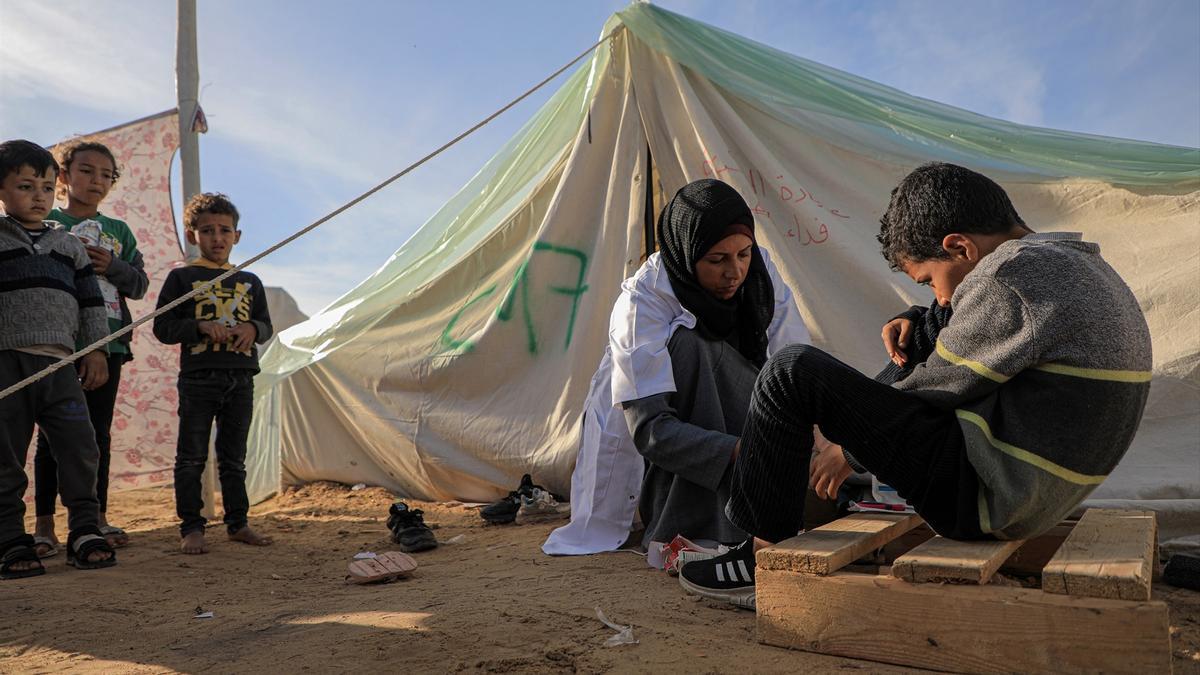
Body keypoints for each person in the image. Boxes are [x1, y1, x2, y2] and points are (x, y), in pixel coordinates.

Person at [680, 162, 1152, 608]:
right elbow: (972, 335)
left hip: (990, 497)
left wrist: (847, 448)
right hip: (1035, 490)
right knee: (934, 324)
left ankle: (760, 557)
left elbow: (932, 389)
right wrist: (921, 318)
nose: (937, 294)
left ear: (960, 247)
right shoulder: (1069, 262)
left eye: (927, 280)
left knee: (790, 372)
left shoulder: (1010, 279)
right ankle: (765, 539)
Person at [543, 178, 810, 557]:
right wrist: (739, 450)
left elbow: (794, 365)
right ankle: (708, 521)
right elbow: (652, 430)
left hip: (746, 420)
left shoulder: (760, 274)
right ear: (686, 254)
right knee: (690, 345)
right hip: (682, 432)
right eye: (717, 260)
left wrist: (812, 438)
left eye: (743, 254)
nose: (734, 272)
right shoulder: (643, 303)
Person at [0, 139, 117, 579]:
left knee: (80, 448)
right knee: (4, 456)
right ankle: (11, 540)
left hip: (60, 367)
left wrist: (96, 351)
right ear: (2, 190)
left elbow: (91, 305)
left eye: (47, 187)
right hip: (7, 364)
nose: (39, 196)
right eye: (26, 186)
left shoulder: (67, 246)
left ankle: (85, 530)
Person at [33, 140, 149, 555]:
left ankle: (95, 518)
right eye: (86, 171)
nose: (96, 180)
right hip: (58, 343)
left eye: (106, 174)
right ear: (63, 176)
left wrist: (112, 266)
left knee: (96, 434)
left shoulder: (119, 232)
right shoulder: (46, 222)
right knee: (51, 436)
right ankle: (44, 525)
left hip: (110, 344)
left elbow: (139, 284)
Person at [153, 192, 274, 555]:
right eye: (208, 231)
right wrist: (200, 327)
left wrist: (252, 328)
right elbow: (163, 327)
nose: (217, 238)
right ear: (193, 236)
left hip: (241, 378)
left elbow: (266, 326)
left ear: (237, 235)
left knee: (234, 457)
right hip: (198, 379)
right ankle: (191, 527)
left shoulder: (250, 280)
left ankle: (238, 523)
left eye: (224, 230)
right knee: (190, 456)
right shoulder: (182, 278)